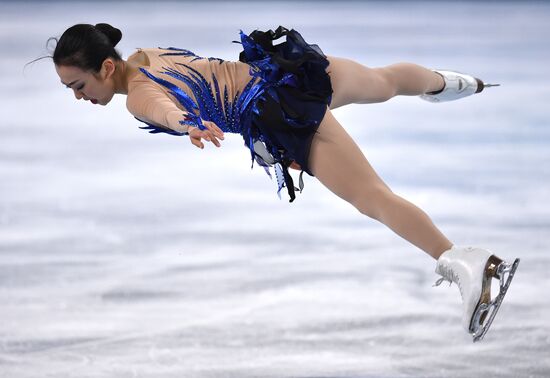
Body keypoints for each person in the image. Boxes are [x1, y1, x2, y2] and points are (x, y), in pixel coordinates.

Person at [39, 23, 519, 342]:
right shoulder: (148, 54)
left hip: (278, 112)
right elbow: (188, 83)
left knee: (372, 197)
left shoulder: (136, 94)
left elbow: (158, 106)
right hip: (286, 69)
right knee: (383, 80)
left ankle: (470, 263)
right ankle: (453, 84)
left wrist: (185, 124)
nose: (79, 98)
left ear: (105, 68)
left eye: (78, 87)